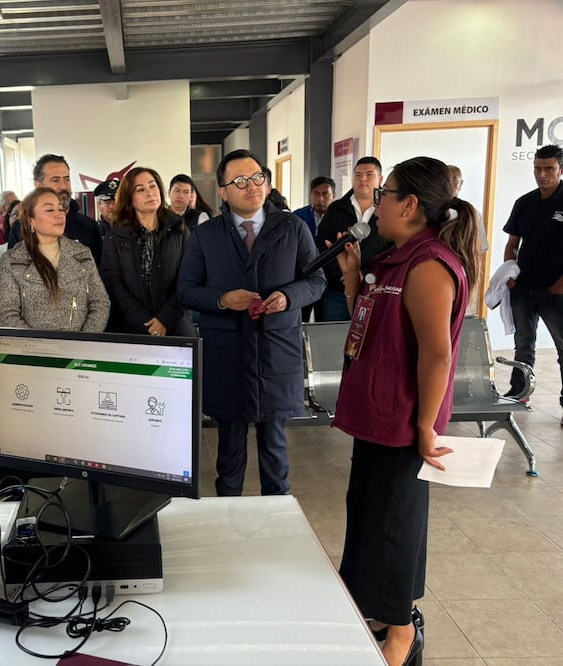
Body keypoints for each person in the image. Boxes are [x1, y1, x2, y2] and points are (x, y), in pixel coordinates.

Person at [332, 156, 481, 666]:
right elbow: (371, 328)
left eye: (386, 194)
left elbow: (438, 354)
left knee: (395, 523)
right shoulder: (395, 260)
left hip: (402, 424)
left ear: (411, 205)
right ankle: (371, 611)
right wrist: (353, 278)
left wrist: (424, 427)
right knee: (367, 515)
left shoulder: (429, 265)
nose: (376, 206)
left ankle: (400, 630)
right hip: (376, 415)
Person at [177, 149, 325, 496]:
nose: (252, 186)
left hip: (276, 349)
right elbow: (185, 291)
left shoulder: (292, 228)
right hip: (227, 352)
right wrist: (222, 300)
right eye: (240, 181)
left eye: (258, 177)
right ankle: (228, 517)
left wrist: (288, 297)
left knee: (275, 447)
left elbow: (317, 281)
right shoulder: (205, 235)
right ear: (223, 191)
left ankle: (277, 520)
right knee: (229, 449)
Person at [503, 144, 563, 420]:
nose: (542, 174)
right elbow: (512, 244)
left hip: (557, 290)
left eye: (548, 169)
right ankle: (518, 393)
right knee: (523, 344)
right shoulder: (524, 203)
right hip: (524, 288)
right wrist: (509, 273)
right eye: (538, 168)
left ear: (560, 170)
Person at [0, 187, 109, 331]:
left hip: (79, 350)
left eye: (61, 209)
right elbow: (6, 314)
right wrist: (40, 347)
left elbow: (100, 302)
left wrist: (84, 342)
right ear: (31, 220)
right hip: (32, 350)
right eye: (50, 210)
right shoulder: (12, 260)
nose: (59, 215)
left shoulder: (82, 253)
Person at [101, 167, 195, 337]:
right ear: (130, 198)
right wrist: (146, 322)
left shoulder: (178, 228)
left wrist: (165, 319)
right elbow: (112, 283)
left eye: (153, 186)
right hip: (130, 326)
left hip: (175, 323)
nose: (150, 193)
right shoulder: (116, 234)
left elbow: (188, 278)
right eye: (141, 189)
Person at [315, 157, 392, 321]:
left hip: (376, 291)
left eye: (369, 174)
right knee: (333, 340)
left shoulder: (389, 210)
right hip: (337, 293)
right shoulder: (336, 209)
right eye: (358, 175)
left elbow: (393, 249)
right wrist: (345, 275)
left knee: (371, 342)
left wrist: (363, 275)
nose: (362, 179)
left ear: (380, 179)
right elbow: (322, 246)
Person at [7, 154, 102, 264]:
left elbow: (97, 274)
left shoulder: (88, 226)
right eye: (55, 180)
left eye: (67, 179)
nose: (64, 186)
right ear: (38, 185)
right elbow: (13, 269)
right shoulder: (20, 227)